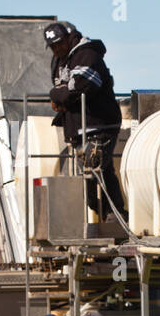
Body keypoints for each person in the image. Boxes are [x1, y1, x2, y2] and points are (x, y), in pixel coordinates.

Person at [44, 20, 126, 221]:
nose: (57, 49)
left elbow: (81, 87)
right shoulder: (60, 61)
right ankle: (113, 216)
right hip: (79, 130)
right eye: (53, 46)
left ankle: (114, 215)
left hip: (99, 126)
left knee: (94, 172)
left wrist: (57, 94)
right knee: (100, 173)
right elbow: (64, 93)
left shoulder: (87, 55)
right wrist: (60, 95)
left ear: (69, 38)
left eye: (59, 43)